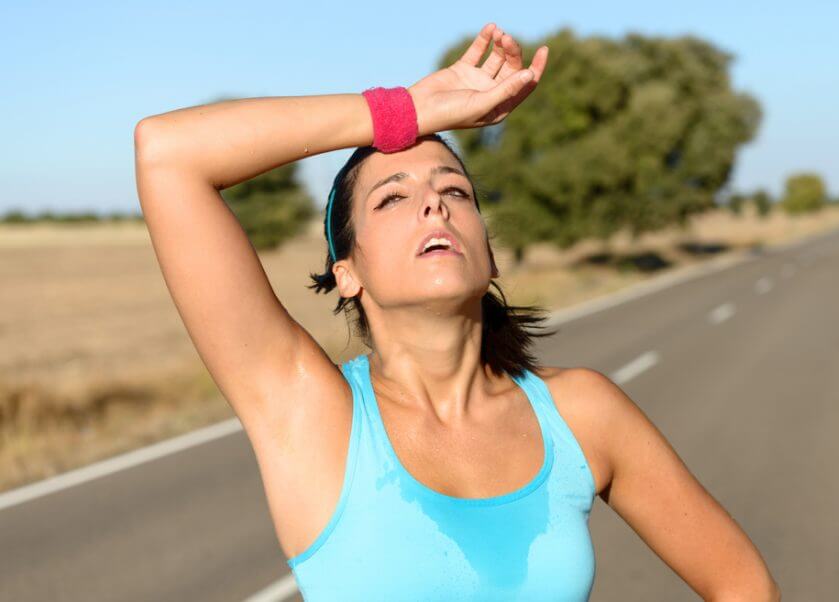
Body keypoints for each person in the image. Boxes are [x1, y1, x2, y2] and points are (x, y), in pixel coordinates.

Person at [133, 22, 779, 601]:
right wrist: (405, 111)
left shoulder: (582, 414)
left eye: (454, 190)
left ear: (489, 256)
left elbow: (743, 583)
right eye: (392, 198)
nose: (434, 205)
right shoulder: (314, 415)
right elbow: (167, 154)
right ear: (347, 271)